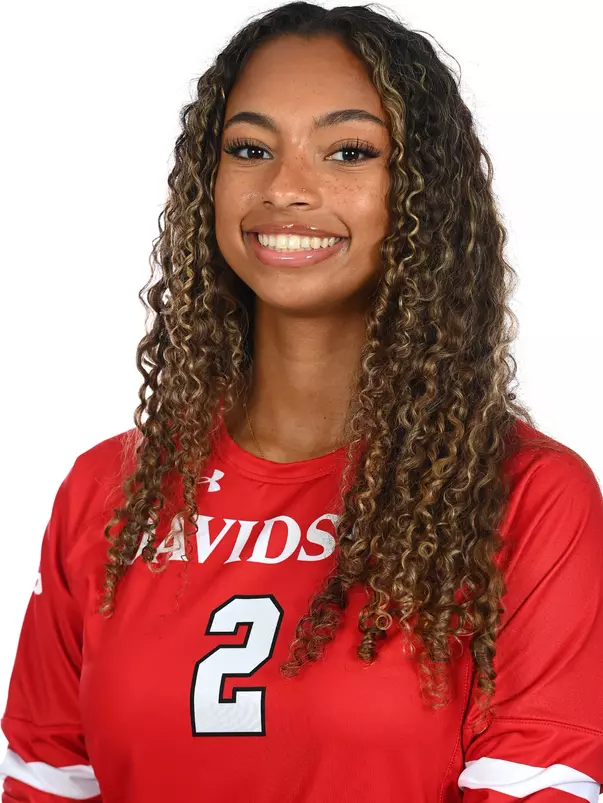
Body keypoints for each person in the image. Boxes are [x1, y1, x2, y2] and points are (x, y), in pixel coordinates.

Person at [1, 2, 602, 801]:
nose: (285, 187)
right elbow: (44, 780)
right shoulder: (105, 493)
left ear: (420, 192)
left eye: (348, 151)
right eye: (249, 148)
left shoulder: (526, 499)